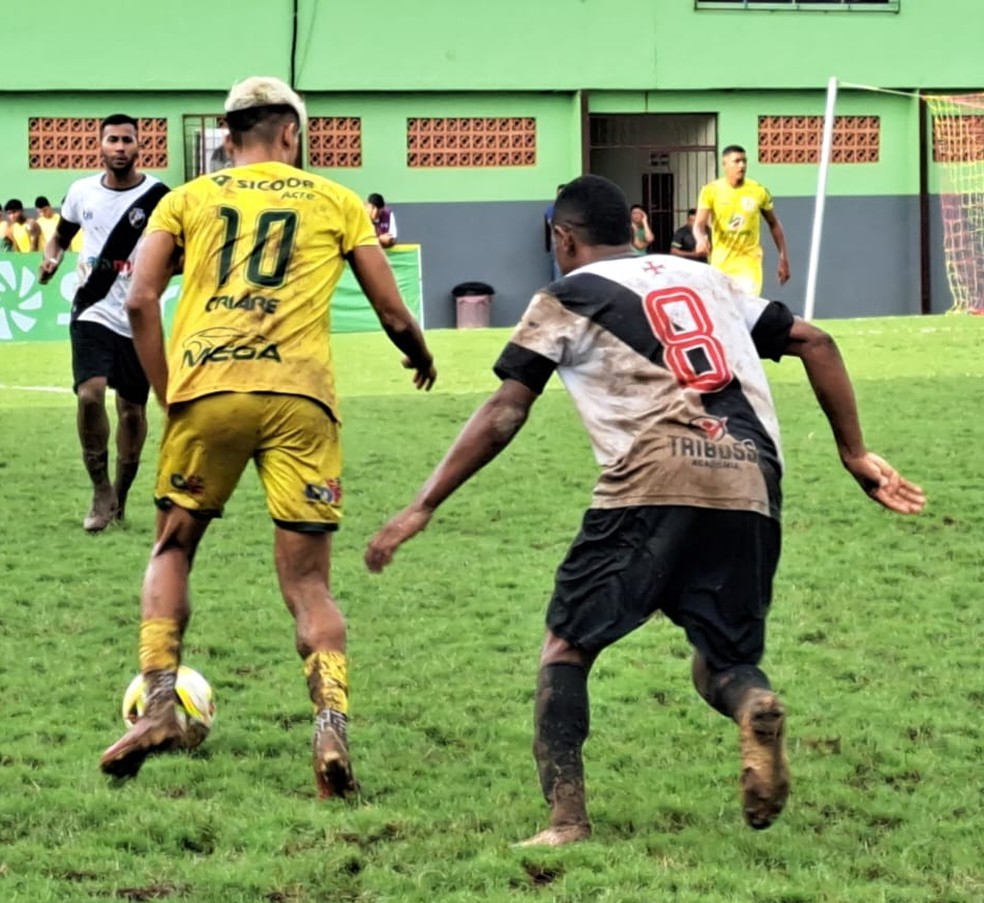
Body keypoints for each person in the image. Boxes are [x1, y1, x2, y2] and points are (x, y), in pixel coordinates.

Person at [364, 175, 925, 846]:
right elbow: (817, 342)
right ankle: (753, 705)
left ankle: (566, 820)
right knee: (720, 658)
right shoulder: (708, 280)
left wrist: (423, 503)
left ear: (561, 239)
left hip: (651, 471)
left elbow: (507, 408)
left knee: (567, 646)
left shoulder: (565, 294)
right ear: (633, 228)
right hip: (750, 477)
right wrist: (855, 453)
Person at [98, 76, 437, 799]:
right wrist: (419, 352)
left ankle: (159, 702)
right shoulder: (337, 200)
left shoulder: (184, 199)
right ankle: (331, 727)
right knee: (309, 581)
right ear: (290, 133)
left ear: (227, 135)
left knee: (172, 547)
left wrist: (170, 394)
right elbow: (392, 309)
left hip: (206, 393)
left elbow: (137, 300)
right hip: (301, 400)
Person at [39, 115, 169, 532]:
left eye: (126, 140)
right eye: (111, 139)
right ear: (100, 146)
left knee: (132, 413)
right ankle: (99, 490)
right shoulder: (81, 192)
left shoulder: (160, 197)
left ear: (138, 146)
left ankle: (121, 497)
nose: (118, 147)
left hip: (138, 314)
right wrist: (52, 256)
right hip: (91, 307)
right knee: (90, 396)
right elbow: (61, 234)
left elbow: (182, 252)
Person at [694, 145, 790, 296]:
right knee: (724, 312)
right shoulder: (710, 191)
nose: (742, 165)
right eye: (737, 161)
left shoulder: (758, 191)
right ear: (725, 164)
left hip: (749, 264)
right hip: (721, 264)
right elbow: (699, 224)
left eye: (744, 161)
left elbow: (774, 223)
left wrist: (783, 258)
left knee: (746, 310)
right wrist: (700, 239)